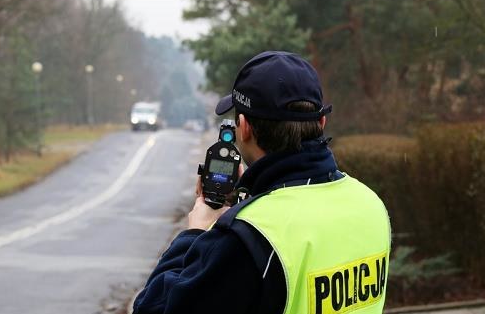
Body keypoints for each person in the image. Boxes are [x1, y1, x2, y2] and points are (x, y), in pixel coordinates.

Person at [133, 51, 391, 314]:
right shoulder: (372, 206)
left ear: (244, 127)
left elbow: (153, 308)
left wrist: (195, 233)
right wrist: (252, 193)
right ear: (321, 122)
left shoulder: (246, 238)